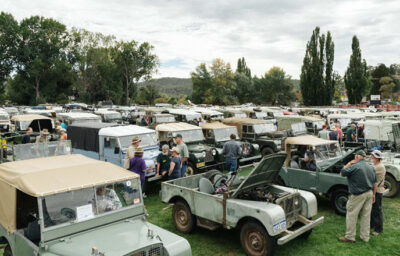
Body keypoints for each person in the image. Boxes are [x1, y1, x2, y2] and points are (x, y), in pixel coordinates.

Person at [338, 150, 377, 243]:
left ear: (356, 157)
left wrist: (349, 163)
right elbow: (375, 182)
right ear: (364, 157)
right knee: (366, 216)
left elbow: (342, 173)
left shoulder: (354, 166)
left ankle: (350, 237)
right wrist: (374, 195)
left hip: (357, 195)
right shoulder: (371, 167)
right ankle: (365, 237)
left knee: (352, 215)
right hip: (369, 193)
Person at [370, 150, 386, 236]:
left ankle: (378, 229)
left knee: (377, 210)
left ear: (377, 158)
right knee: (373, 209)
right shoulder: (375, 164)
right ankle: (372, 225)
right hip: (374, 189)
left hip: (377, 191)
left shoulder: (379, 167)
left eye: (373, 156)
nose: (371, 157)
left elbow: (370, 172)